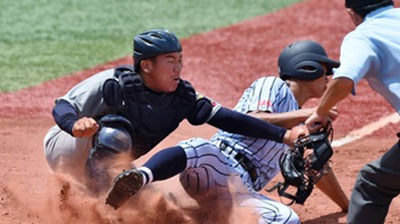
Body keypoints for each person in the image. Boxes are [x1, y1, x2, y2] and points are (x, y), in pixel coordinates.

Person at [106, 40, 349, 224]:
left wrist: (347, 206)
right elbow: (255, 118)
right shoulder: (273, 86)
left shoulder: (302, 126)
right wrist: (308, 114)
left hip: (240, 193)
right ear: (307, 67)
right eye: (325, 70)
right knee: (201, 148)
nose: (329, 77)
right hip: (216, 166)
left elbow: (316, 167)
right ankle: (141, 177)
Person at [43, 28, 301, 198]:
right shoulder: (114, 82)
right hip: (67, 147)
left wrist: (283, 135)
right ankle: (97, 205)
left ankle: (94, 200)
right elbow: (63, 104)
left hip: (106, 162)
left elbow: (230, 119)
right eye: (170, 61)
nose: (178, 67)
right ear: (146, 65)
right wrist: (75, 124)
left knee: (149, 202)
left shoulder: (182, 97)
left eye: (180, 60)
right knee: (114, 134)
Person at [305, 1, 400, 224]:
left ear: (352, 13)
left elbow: (345, 79)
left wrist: (321, 111)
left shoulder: (363, 35)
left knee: (372, 185)